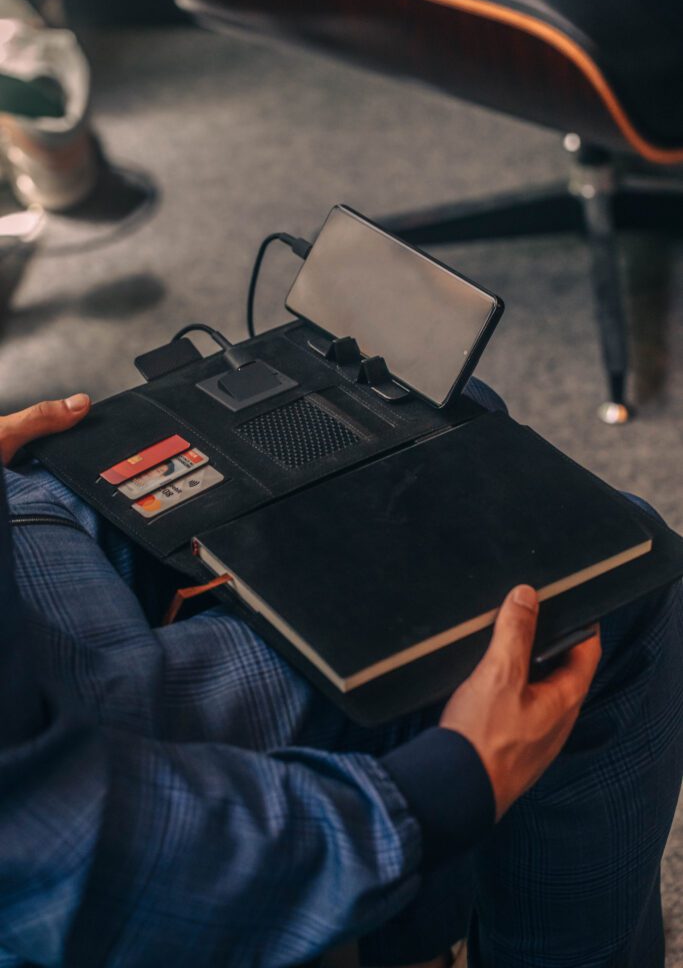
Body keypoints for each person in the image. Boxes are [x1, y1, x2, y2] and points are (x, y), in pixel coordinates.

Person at [0, 380, 680, 968]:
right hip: (70, 740)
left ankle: (409, 945)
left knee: (441, 419)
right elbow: (64, 855)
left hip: (26, 563)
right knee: (616, 582)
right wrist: (447, 784)